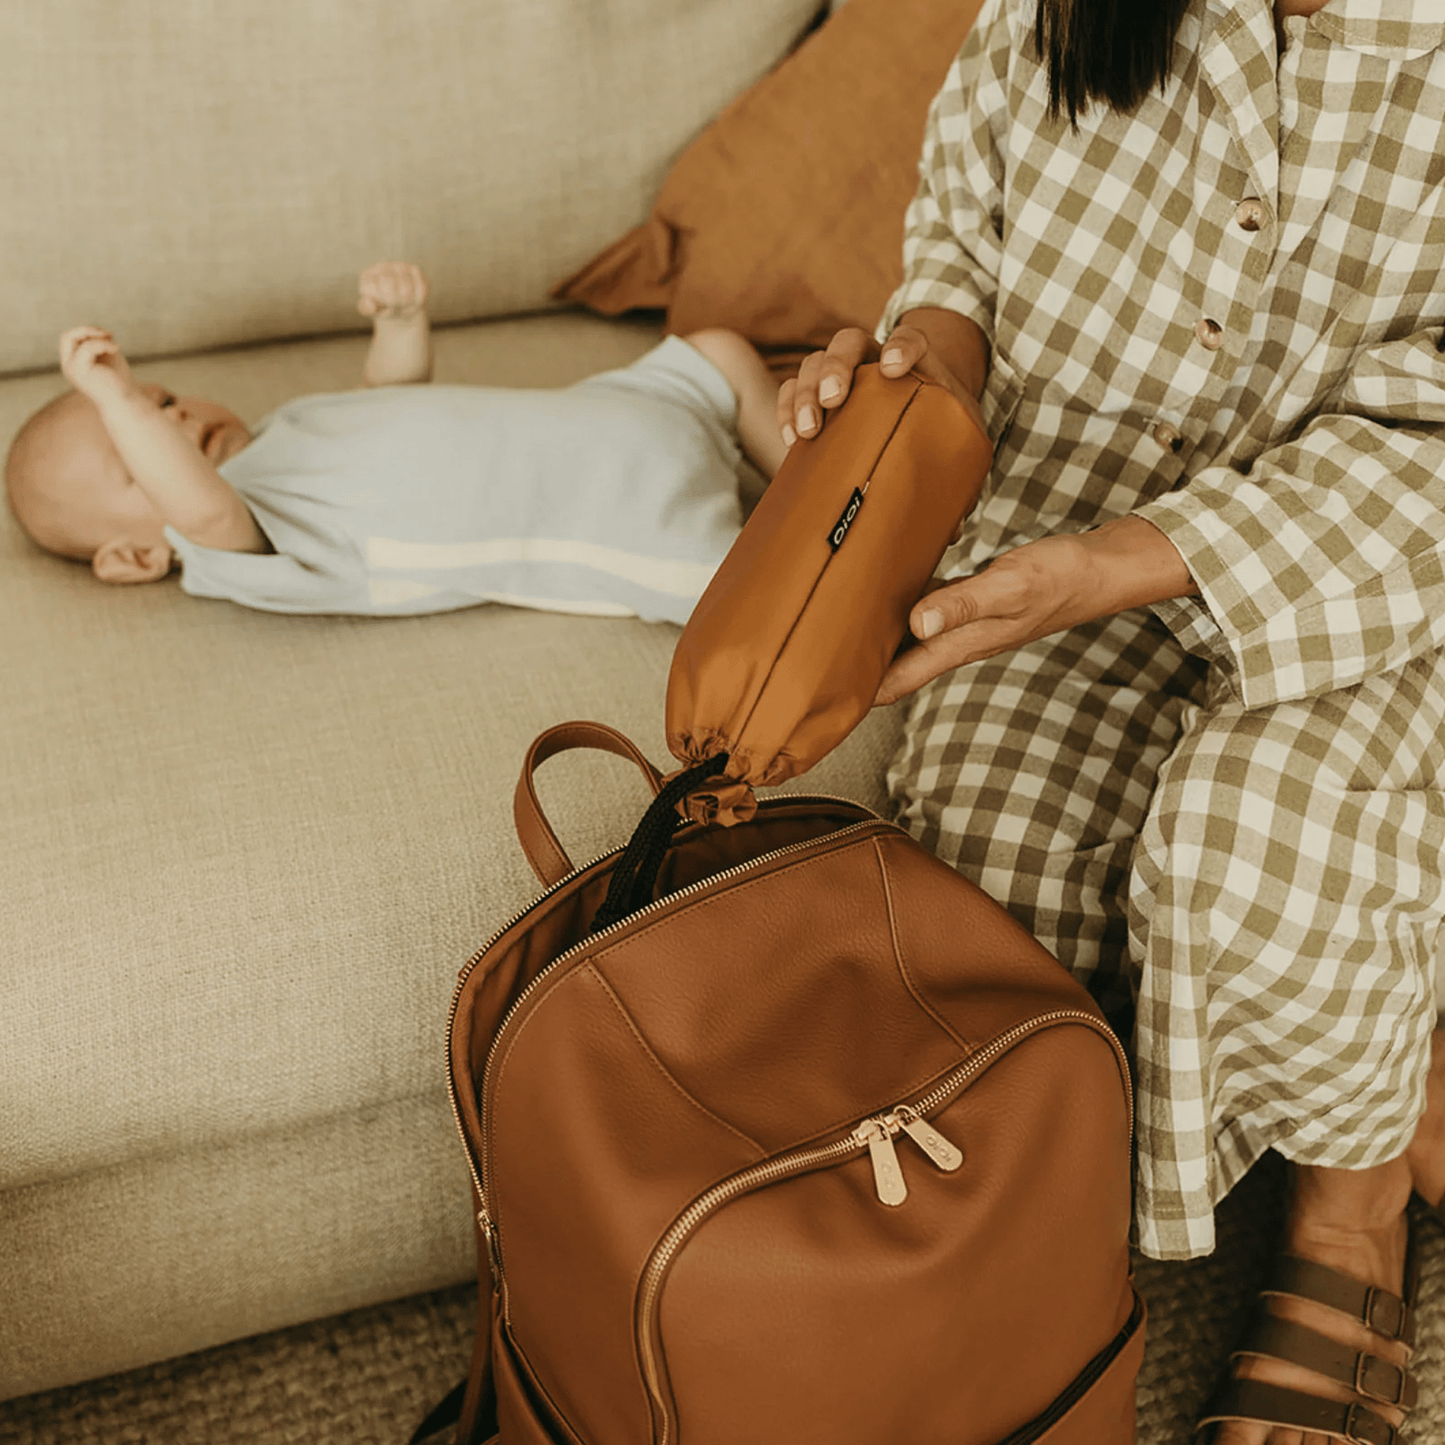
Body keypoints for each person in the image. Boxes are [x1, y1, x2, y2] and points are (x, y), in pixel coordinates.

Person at [780, 0, 1445, 1440]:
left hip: (1384, 593)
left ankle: (1353, 1208)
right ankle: (1385, 1006)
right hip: (1059, 531)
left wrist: (1120, 566)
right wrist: (922, 380)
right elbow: (962, 235)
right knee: (973, 905)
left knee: (1251, 841)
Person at [4, 263, 786, 625]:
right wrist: (112, 394)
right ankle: (848, 547)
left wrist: (400, 329)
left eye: (162, 400)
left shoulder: (288, 427)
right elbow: (202, 513)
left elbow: (392, 402)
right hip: (616, 519)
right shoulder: (234, 548)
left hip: (616, 410)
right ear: (135, 556)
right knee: (767, 599)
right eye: (134, 453)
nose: (165, 420)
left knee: (716, 350)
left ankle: (809, 474)